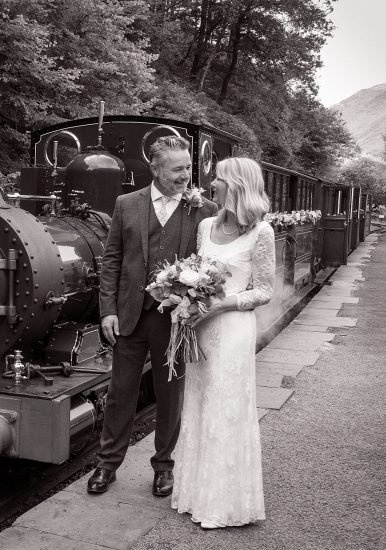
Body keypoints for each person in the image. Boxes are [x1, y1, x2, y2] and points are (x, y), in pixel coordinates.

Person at [87, 136, 218, 496]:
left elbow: (211, 266)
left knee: (170, 394)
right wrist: (107, 311)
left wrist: (195, 304)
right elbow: (112, 260)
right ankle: (107, 465)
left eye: (187, 169)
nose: (184, 176)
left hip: (175, 320)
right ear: (156, 169)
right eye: (176, 169)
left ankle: (164, 466)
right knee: (120, 393)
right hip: (129, 316)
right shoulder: (126, 204)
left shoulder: (203, 210)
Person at [172, 157, 274, 528]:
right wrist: (185, 298)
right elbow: (198, 273)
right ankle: (194, 495)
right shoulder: (204, 226)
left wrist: (220, 305)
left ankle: (225, 505)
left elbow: (263, 290)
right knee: (198, 404)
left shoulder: (261, 232)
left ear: (235, 186)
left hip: (231, 329)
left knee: (226, 409)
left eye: (217, 180)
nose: (211, 184)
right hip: (201, 329)